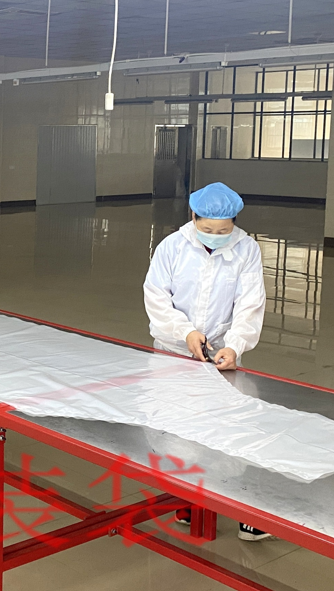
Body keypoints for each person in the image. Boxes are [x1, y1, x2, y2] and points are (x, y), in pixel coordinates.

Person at [143, 182, 271, 542]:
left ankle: (241, 509)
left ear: (235, 223)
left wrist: (235, 346)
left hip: (221, 356)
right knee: (175, 428)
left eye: (223, 230)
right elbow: (156, 297)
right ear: (193, 217)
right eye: (208, 228)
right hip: (172, 351)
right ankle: (186, 500)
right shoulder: (172, 247)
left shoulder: (246, 249)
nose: (215, 236)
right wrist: (185, 332)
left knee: (228, 431)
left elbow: (250, 304)